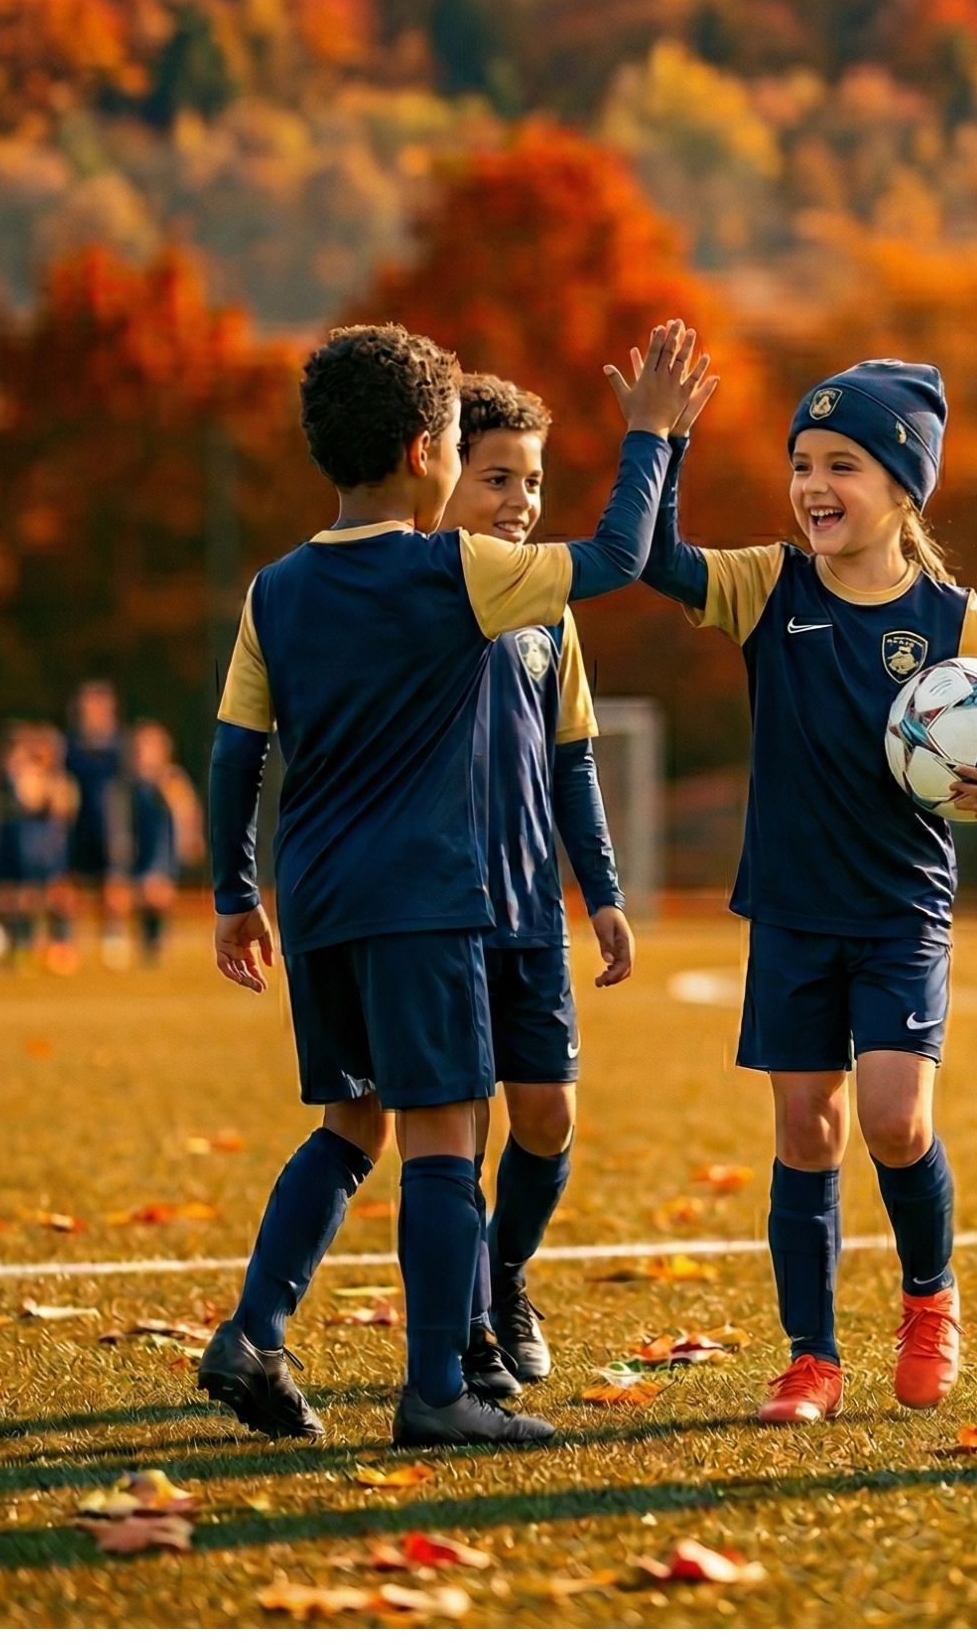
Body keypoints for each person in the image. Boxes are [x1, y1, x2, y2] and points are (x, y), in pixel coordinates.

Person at [197, 318, 701, 1454]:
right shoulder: (451, 572)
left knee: (349, 1124)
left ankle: (254, 1333)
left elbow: (237, 750)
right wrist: (650, 437)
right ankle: (436, 1390)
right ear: (431, 449)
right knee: (440, 1137)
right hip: (424, 902)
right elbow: (616, 560)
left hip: (321, 903)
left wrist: (235, 892)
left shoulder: (273, 589)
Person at [637, 351, 977, 1426]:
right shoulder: (764, 588)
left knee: (890, 1118)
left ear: (901, 486)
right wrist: (661, 439)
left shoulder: (950, 619)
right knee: (805, 1131)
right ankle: (811, 1358)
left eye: (841, 463)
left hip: (898, 909)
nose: (811, 485)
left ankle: (928, 1296)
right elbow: (645, 556)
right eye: (800, 463)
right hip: (790, 908)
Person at [446, 373, 634, 1395]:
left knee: (548, 1116)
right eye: (495, 478)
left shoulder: (547, 610)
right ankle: (473, 1319)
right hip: (440, 910)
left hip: (529, 911)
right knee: (459, 1127)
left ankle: (507, 1272)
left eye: (531, 481)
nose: (520, 500)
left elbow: (572, 761)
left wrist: (599, 892)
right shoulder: (427, 590)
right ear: (438, 478)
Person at [61, 680, 130, 967]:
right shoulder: (69, 748)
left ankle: (113, 942)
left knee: (113, 886)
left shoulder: (122, 748)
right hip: (76, 825)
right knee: (68, 886)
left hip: (111, 825)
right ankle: (65, 944)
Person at [0, 721, 72, 963]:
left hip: (50, 849)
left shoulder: (61, 781)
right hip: (21, 848)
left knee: (59, 897)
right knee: (16, 899)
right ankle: (21, 946)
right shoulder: (11, 780)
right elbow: (29, 800)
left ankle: (61, 947)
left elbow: (62, 806)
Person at [128, 720, 201, 966]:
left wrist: (189, 839)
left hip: (162, 849)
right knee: (143, 896)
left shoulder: (170, 779)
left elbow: (185, 811)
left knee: (157, 893)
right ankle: (148, 945)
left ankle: (156, 944)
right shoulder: (132, 783)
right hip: (140, 847)